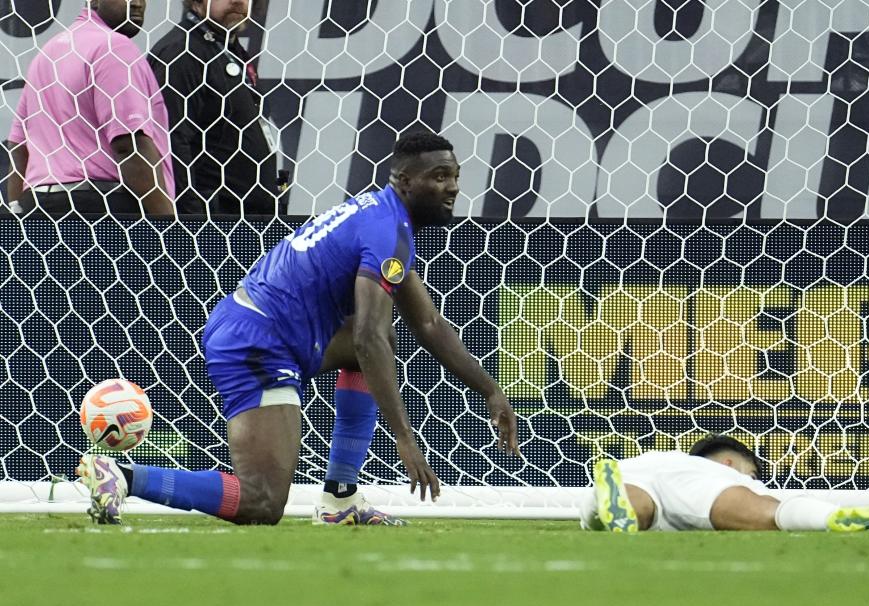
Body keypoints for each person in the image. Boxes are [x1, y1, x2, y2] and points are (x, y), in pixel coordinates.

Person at [76, 131, 520, 525]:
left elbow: (427, 322)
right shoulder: (386, 230)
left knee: (383, 337)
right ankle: (124, 477)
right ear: (404, 180)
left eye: (456, 176)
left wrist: (490, 390)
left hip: (278, 331)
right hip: (258, 342)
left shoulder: (385, 219)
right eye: (440, 177)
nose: (453, 188)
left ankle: (340, 497)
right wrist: (404, 439)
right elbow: (365, 337)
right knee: (262, 502)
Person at [6, 0, 174, 217]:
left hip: (39, 207)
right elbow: (130, 146)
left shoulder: (46, 54)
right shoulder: (114, 47)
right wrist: (171, 228)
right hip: (99, 207)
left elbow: (18, 147)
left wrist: (15, 210)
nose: (137, 3)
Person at [581, 434, 869, 534]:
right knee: (770, 511)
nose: (754, 480)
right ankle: (835, 519)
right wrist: (745, 485)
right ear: (730, 463)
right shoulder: (721, 475)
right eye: (752, 475)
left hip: (633, 470)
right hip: (702, 489)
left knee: (632, 510)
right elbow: (772, 508)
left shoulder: (661, 458)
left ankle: (601, 508)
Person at [149, 0, 279, 216]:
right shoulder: (182, 52)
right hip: (213, 226)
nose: (238, 1)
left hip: (245, 219)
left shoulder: (228, 48)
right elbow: (172, 143)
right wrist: (193, 224)